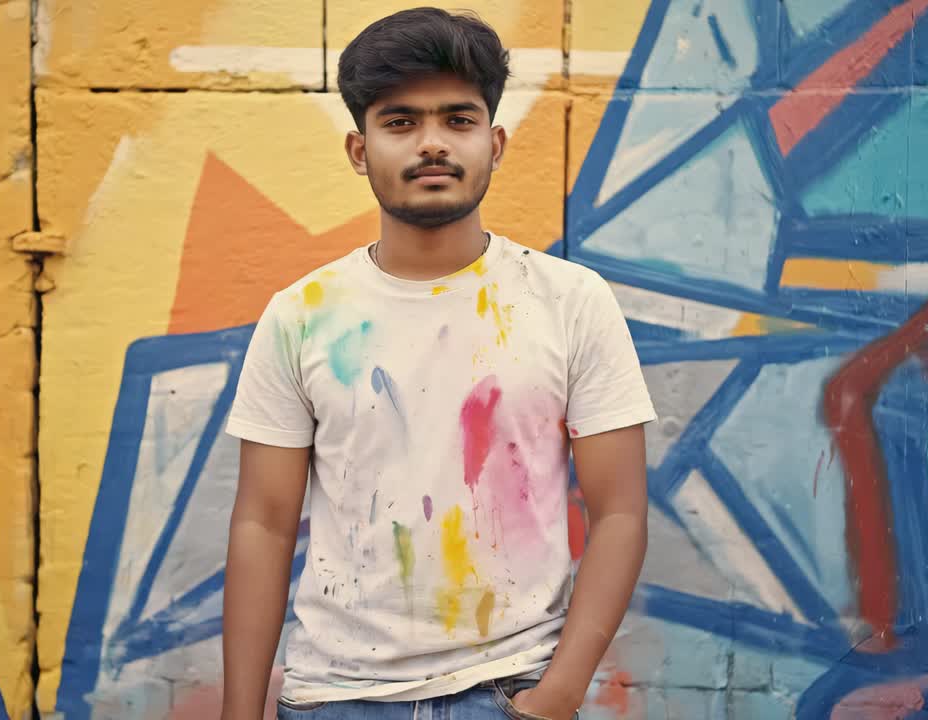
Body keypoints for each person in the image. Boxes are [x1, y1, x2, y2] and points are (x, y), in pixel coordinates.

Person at [220, 7, 656, 719]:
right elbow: (263, 524)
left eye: (458, 120)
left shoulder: (568, 300)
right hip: (335, 699)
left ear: (496, 141)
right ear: (359, 151)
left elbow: (619, 512)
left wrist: (559, 695)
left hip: (511, 689)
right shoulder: (301, 315)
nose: (431, 144)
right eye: (400, 123)